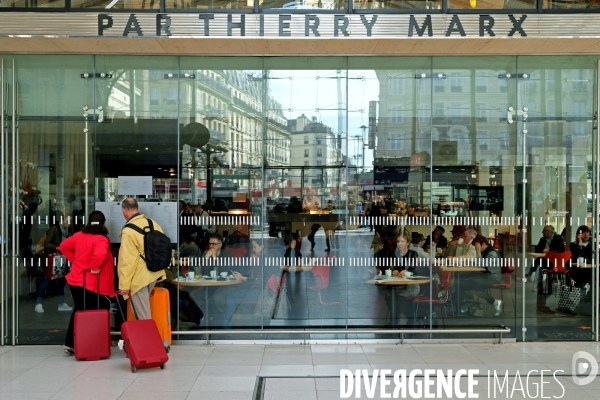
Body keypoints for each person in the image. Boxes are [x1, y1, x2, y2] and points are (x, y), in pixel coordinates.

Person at [60, 211, 114, 356]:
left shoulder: (78, 235)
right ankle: (94, 343)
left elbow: (63, 246)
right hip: (93, 282)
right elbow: (100, 255)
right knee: (98, 311)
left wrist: (76, 261)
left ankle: (71, 344)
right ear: (103, 222)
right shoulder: (101, 239)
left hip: (77, 279)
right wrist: (94, 267)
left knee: (79, 310)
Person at [117, 198, 166, 320]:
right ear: (137, 209)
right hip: (153, 272)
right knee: (143, 313)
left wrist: (124, 285)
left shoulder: (128, 231)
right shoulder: (153, 223)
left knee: (142, 317)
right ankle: (148, 337)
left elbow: (128, 261)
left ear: (123, 210)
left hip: (139, 278)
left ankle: (149, 339)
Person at [35, 211, 73, 313]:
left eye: (70, 221)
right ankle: (38, 304)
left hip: (61, 259)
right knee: (46, 280)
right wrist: (59, 247)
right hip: (51, 259)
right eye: (67, 221)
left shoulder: (67, 230)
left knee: (60, 281)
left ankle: (61, 303)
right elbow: (47, 244)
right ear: (62, 220)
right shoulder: (55, 228)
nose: (69, 223)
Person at [460, 235, 503, 316]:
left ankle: (495, 302)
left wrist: (478, 252)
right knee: (464, 282)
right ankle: (469, 305)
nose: (476, 249)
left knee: (475, 288)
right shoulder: (486, 251)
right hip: (485, 275)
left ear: (483, 244)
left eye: (477, 246)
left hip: (493, 277)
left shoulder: (492, 253)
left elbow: (481, 265)